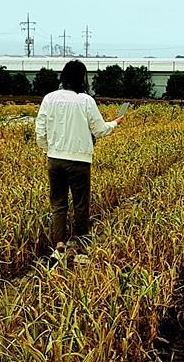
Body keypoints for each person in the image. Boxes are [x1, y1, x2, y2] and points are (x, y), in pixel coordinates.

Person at [35, 60, 124, 258]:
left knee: (58, 203)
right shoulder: (86, 101)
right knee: (80, 204)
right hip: (80, 161)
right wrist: (114, 123)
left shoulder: (49, 99)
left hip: (55, 159)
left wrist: (48, 150)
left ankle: (59, 247)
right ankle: (82, 250)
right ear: (82, 78)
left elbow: (40, 130)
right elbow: (99, 130)